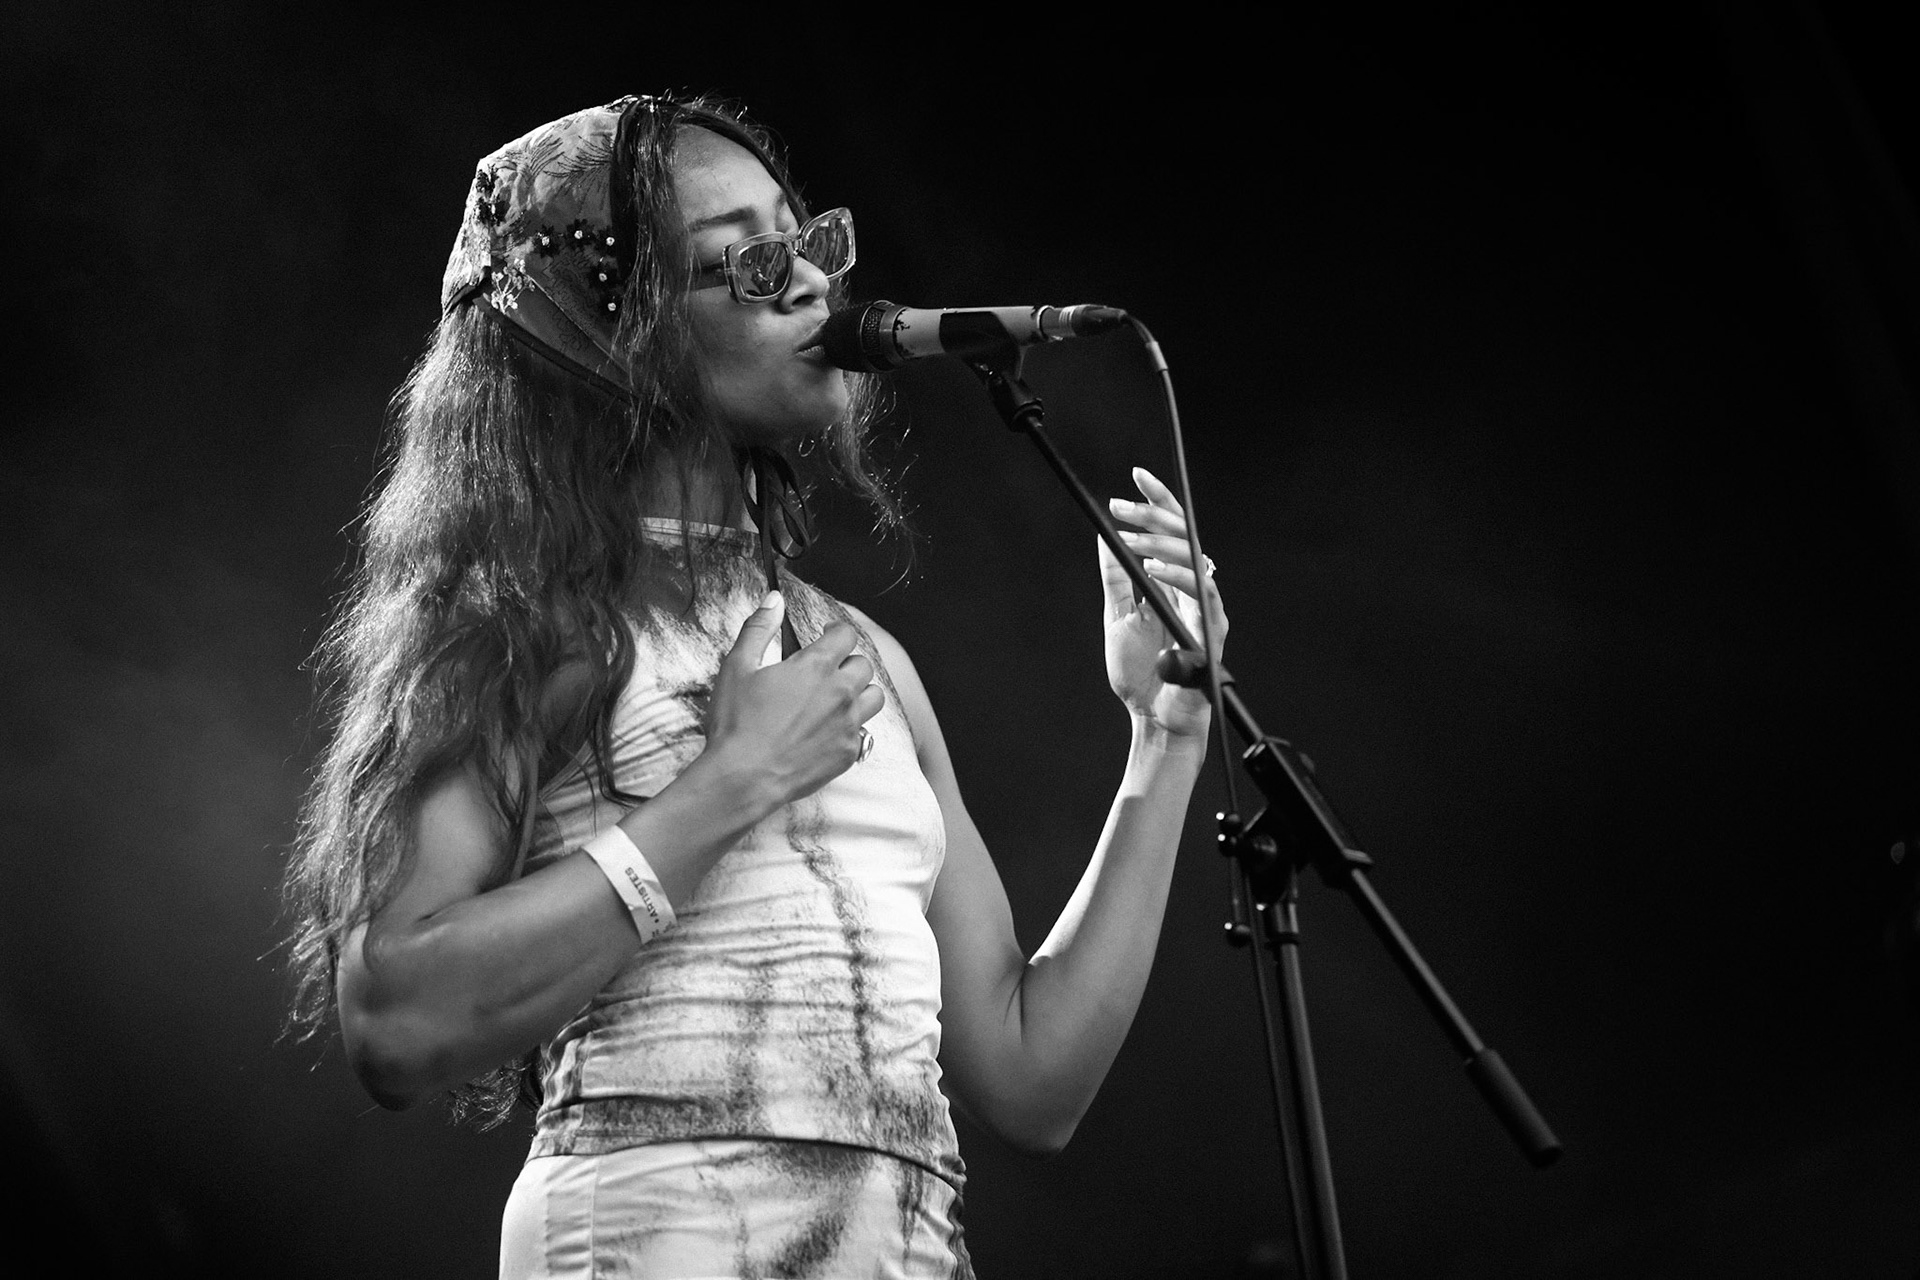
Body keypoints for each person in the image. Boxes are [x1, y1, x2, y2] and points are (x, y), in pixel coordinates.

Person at [282, 91, 1228, 1280]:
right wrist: (730, 783)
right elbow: (395, 1019)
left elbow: (1034, 1078)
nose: (810, 286)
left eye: (809, 239)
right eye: (747, 260)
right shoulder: (518, 623)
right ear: (606, 325)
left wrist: (1164, 732)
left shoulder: (866, 659)